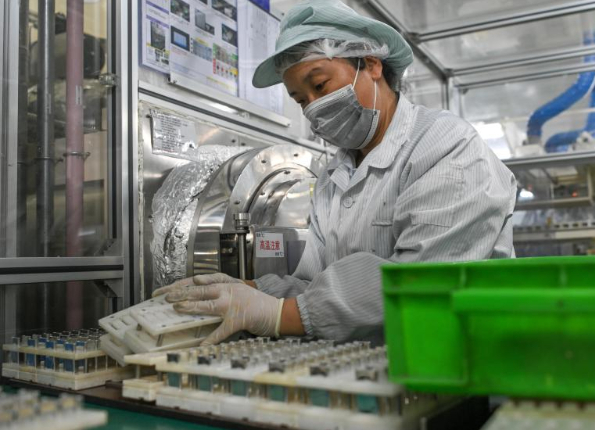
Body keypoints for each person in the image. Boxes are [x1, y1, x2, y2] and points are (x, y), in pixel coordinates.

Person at [154, 0, 517, 345]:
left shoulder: (446, 146)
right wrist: (246, 292)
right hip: (366, 372)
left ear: (371, 65)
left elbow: (422, 282)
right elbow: (314, 286)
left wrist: (278, 315)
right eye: (300, 100)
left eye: (320, 85)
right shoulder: (333, 176)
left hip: (451, 366)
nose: (313, 108)